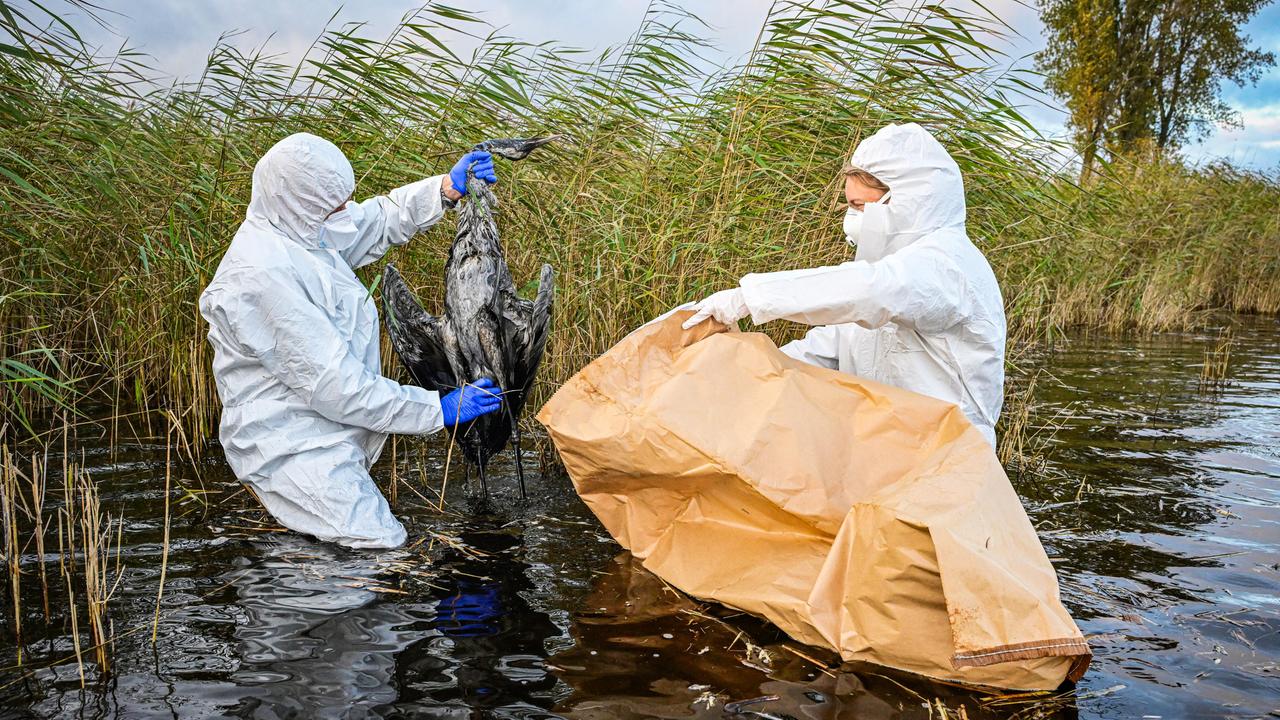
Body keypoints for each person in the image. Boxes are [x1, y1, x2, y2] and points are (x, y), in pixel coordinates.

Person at [199, 132, 504, 549]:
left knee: (342, 551)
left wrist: (444, 189)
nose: (342, 209)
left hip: (326, 432)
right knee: (377, 547)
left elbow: (369, 222)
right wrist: (438, 408)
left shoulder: (300, 228)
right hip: (293, 450)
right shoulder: (261, 275)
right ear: (300, 200)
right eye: (332, 203)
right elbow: (339, 389)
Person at [682, 123, 1006, 446]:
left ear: (908, 202)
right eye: (849, 206)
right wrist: (741, 371)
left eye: (861, 207)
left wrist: (748, 298)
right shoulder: (892, 268)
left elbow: (872, 291)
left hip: (950, 460)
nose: (851, 220)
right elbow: (833, 345)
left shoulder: (947, 263)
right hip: (892, 451)